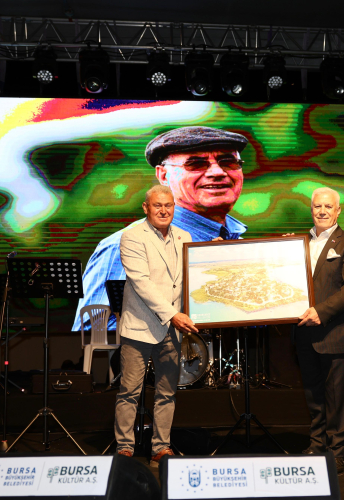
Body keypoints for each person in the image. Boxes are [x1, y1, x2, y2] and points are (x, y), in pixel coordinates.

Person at [73, 126, 249, 331]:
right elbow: (92, 333)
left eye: (228, 162)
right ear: (163, 176)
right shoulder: (127, 245)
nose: (217, 172)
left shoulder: (243, 245)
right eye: (196, 164)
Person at [114, 184, 198, 466]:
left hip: (172, 330)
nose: (164, 210)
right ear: (146, 207)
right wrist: (173, 314)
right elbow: (141, 283)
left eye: (168, 205)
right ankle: (125, 448)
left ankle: (160, 447)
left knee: (167, 393)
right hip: (140, 326)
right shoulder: (132, 236)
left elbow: (192, 276)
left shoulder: (184, 236)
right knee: (129, 392)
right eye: (157, 205)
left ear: (175, 207)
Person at [294, 187, 344, 475]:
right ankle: (317, 446)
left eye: (328, 206)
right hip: (304, 334)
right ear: (311, 209)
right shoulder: (297, 243)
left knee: (338, 399)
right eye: (317, 206)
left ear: (338, 211)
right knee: (314, 397)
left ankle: (337, 452)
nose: (322, 211)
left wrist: (321, 312)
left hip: (336, 333)